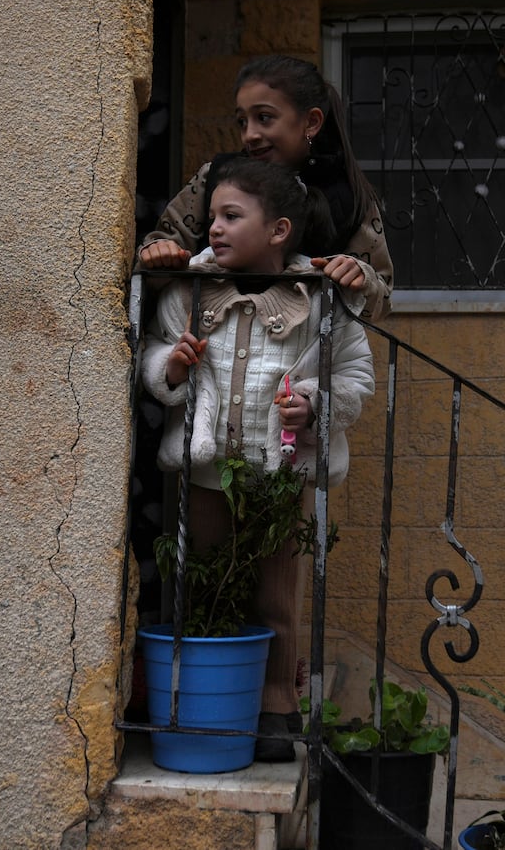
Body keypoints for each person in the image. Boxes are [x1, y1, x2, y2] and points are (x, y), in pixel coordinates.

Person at [141, 156, 376, 762]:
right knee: (203, 582)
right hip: (207, 472)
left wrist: (317, 405)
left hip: (280, 477)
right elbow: (153, 354)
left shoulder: (319, 300)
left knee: (277, 598)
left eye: (230, 216)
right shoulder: (189, 291)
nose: (212, 228)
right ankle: (198, 702)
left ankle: (275, 707)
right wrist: (170, 367)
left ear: (278, 232)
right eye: (211, 215)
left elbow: (356, 374)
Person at [138, 54, 394, 320]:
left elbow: (381, 302)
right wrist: (158, 255)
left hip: (304, 356)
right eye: (242, 122)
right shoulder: (214, 178)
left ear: (311, 122)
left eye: (264, 117)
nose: (250, 134)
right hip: (209, 349)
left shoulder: (349, 195)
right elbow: (154, 261)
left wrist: (360, 277)